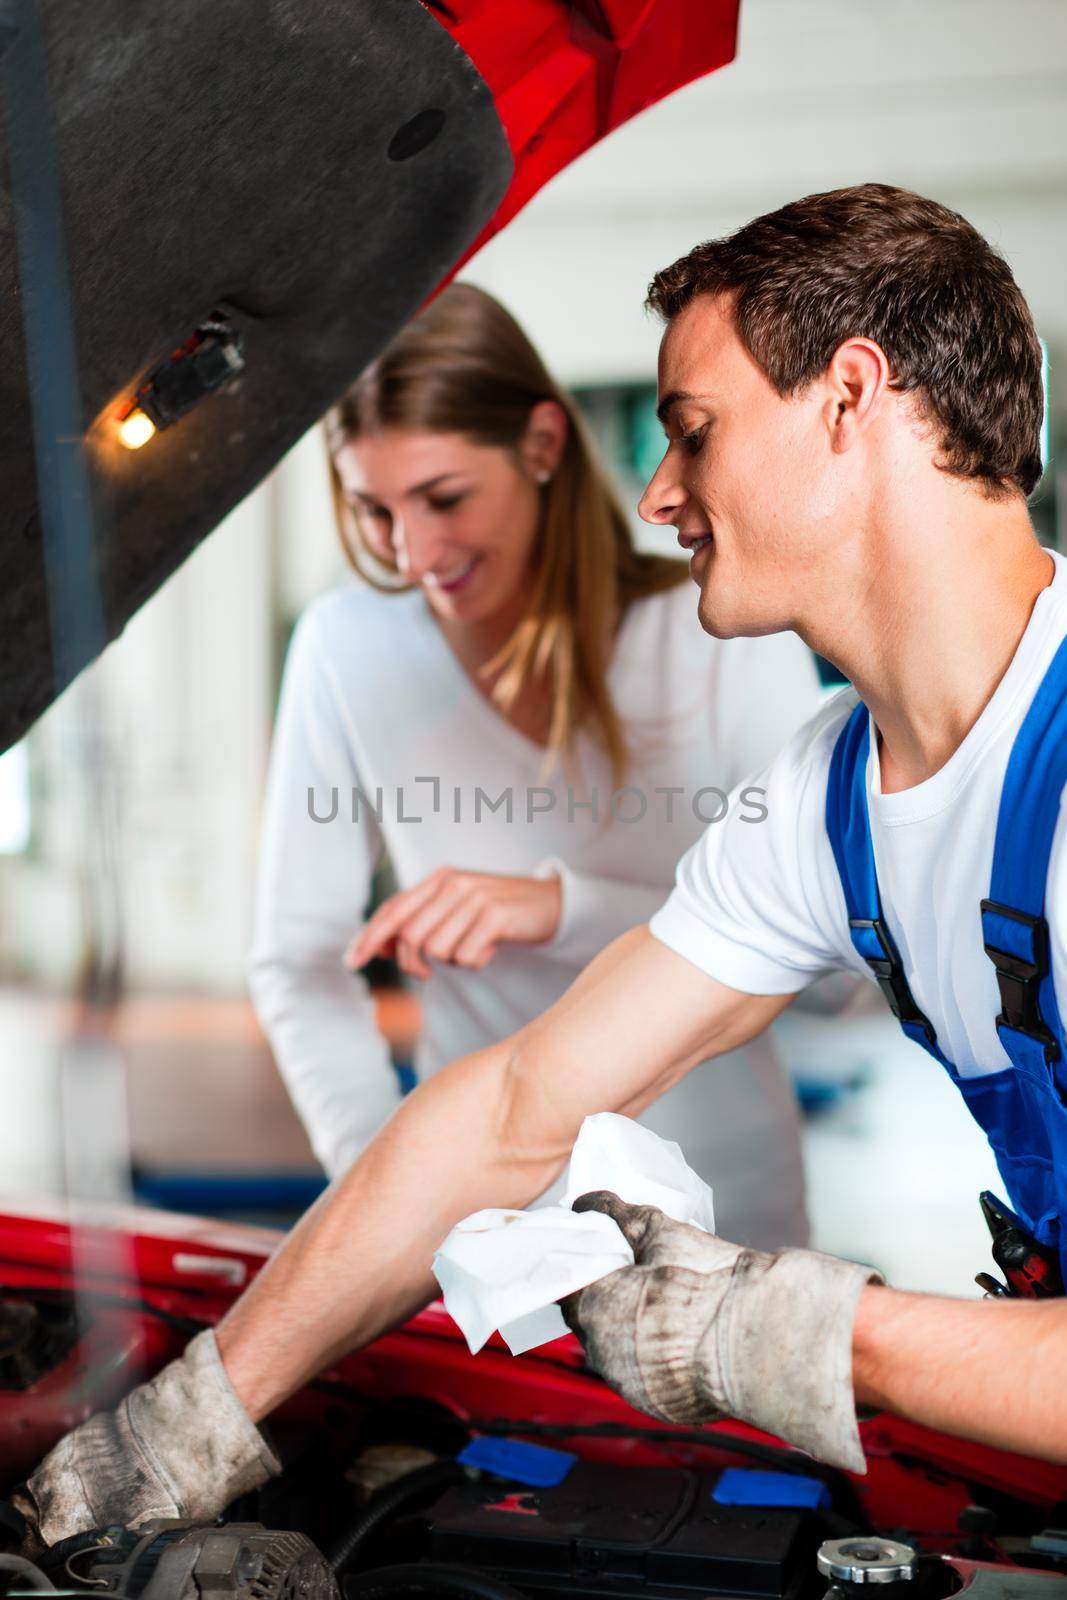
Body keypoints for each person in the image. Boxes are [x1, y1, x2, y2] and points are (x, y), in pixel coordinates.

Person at [19, 183, 1067, 1550]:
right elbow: (515, 1104)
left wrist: (798, 1331)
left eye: (692, 432)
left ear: (847, 399)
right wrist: (193, 1420)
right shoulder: (828, 797)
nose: (657, 491)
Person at [248, 281, 826, 1248]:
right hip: (482, 1217)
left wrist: (556, 908)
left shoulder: (716, 630)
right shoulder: (345, 646)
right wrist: (377, 1182)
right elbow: (298, 957)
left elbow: (819, 953)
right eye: (374, 509)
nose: (413, 551)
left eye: (443, 498)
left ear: (542, 445)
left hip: (721, 1207)